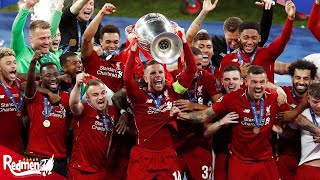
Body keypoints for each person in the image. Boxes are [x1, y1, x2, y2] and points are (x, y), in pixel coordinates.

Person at [173, 65, 320, 179]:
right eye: (254, 82)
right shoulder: (233, 98)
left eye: (262, 82)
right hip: (240, 163)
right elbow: (204, 115)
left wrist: (318, 131)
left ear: (267, 83)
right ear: (246, 82)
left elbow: (297, 119)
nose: (258, 86)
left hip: (266, 162)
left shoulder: (274, 97)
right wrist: (180, 115)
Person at [124, 26, 197, 179]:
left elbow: (191, 69)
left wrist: (183, 41)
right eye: (152, 73)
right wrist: (133, 51)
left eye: (160, 72)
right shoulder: (138, 96)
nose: (157, 76)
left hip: (168, 156)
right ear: (144, 78)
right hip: (142, 157)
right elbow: (127, 79)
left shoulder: (173, 91)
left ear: (165, 75)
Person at [172, 47, 221, 180]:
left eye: (198, 64)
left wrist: (194, 106)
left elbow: (220, 107)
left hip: (199, 142)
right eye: (191, 64)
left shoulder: (208, 78)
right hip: (175, 142)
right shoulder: (171, 77)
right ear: (183, 63)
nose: (195, 68)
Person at [219, 0, 296, 83]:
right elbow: (220, 84)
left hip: (265, 95)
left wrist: (290, 18)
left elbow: (283, 39)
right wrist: (237, 74)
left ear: (259, 38)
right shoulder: (227, 59)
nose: (249, 42)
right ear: (239, 38)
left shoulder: (268, 53)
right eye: (246, 37)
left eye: (254, 38)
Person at [186, 0, 274, 67]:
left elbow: (263, 34)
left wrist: (268, 10)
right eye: (230, 39)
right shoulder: (215, 43)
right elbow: (189, 38)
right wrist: (203, 12)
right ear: (224, 33)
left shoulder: (248, 45)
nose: (233, 43)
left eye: (236, 39)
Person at [24, 51, 71, 176]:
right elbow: (28, 83)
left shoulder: (66, 96)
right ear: (41, 78)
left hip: (59, 156)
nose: (53, 78)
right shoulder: (34, 95)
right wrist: (33, 63)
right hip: (36, 155)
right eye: (48, 75)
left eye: (56, 74)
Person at [67, 76, 118, 179]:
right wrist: (77, 85)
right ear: (88, 98)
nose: (100, 97)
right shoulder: (83, 110)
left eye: (103, 93)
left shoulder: (112, 112)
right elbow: (74, 104)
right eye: (95, 95)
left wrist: (124, 112)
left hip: (101, 171)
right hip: (80, 170)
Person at [277, 59, 318, 180]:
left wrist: (294, 112)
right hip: (287, 155)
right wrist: (275, 87)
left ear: (312, 80)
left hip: (312, 157)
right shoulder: (282, 94)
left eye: (305, 79)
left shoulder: (318, 99)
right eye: (297, 77)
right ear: (291, 78)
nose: (301, 82)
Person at [204, 65, 243, 180]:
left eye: (235, 79)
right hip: (222, 153)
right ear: (222, 82)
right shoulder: (217, 103)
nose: (231, 83)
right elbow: (206, 132)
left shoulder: (251, 99)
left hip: (245, 157)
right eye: (227, 79)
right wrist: (221, 122)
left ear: (242, 81)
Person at [10, 0, 64, 74]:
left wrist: (60, 3)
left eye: (49, 37)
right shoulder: (21, 52)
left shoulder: (54, 59)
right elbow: (16, 31)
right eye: (42, 38)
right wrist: (27, 6)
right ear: (31, 38)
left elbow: (53, 26)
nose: (47, 42)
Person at [81, 3, 125, 93]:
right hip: (92, 103)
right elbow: (86, 38)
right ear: (100, 41)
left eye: (116, 42)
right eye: (108, 42)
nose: (112, 46)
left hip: (114, 105)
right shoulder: (92, 56)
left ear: (120, 41)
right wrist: (102, 13)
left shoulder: (122, 60)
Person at [0, 48, 24, 154]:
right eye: (8, 63)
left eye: (14, 62)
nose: (13, 66)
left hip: (18, 149)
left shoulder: (21, 85)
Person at [295, 83, 320, 179]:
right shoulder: (302, 115)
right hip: (308, 169)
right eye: (315, 102)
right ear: (308, 99)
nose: (319, 106)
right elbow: (288, 135)